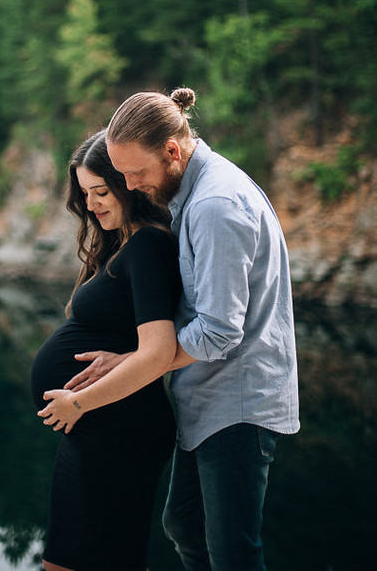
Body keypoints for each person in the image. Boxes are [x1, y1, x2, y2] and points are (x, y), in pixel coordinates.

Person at [70, 88, 300, 571]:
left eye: (136, 173)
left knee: (233, 553)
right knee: (185, 526)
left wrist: (138, 363)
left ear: (172, 151)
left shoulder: (216, 204)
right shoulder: (192, 191)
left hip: (237, 405)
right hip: (208, 398)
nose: (129, 186)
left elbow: (218, 331)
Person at [31, 129, 183, 571]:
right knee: (69, 560)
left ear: (127, 184)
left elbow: (157, 352)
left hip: (119, 430)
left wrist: (77, 401)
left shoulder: (149, 245)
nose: (93, 204)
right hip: (96, 428)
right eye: (85, 194)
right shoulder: (122, 245)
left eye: (101, 191)